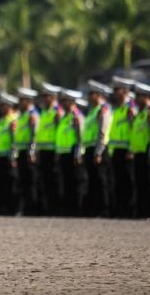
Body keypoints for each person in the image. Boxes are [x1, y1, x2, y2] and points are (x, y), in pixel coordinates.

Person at [129, 83, 150, 219]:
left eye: (139, 96)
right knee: (140, 183)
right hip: (139, 152)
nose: (136, 99)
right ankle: (142, 213)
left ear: (146, 97)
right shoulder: (140, 113)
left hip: (149, 153)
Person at [82, 80, 113, 217]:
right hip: (90, 148)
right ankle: (95, 210)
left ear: (99, 95)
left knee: (101, 180)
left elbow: (103, 132)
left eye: (91, 94)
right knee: (93, 180)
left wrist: (99, 151)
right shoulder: (92, 111)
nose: (88, 96)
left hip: (98, 149)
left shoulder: (103, 110)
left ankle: (105, 209)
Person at [56, 89, 86, 217]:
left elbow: (80, 137)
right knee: (66, 182)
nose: (62, 103)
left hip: (73, 153)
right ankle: (68, 209)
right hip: (64, 153)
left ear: (72, 102)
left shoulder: (76, 116)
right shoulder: (64, 117)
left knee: (76, 181)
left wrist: (78, 154)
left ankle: (77, 208)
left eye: (65, 101)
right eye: (62, 101)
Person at [109, 76, 136, 218]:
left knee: (128, 182)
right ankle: (120, 210)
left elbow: (134, 130)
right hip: (117, 151)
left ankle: (129, 210)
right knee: (118, 182)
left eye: (117, 90)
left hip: (127, 151)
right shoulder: (118, 109)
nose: (114, 92)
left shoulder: (129, 109)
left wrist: (131, 148)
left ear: (125, 91)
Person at [36, 83, 64, 215]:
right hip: (43, 151)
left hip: (54, 151)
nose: (44, 99)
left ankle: (56, 208)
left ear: (53, 97)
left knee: (54, 180)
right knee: (44, 180)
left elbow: (60, 133)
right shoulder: (44, 112)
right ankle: (47, 208)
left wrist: (58, 150)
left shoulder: (57, 112)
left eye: (46, 96)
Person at [0, 92, 19, 216]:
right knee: (0, 183)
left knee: (10, 183)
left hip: (8, 156)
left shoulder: (13, 120)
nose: (1, 108)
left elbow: (15, 140)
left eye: (4, 106)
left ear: (9, 106)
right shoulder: (2, 120)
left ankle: (12, 208)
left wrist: (13, 157)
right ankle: (2, 208)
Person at [14, 87, 40, 216]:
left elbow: (34, 135)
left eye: (21, 100)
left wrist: (31, 152)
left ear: (28, 101)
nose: (19, 102)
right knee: (23, 181)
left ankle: (32, 209)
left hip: (29, 153)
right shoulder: (22, 115)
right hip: (22, 151)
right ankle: (25, 208)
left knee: (31, 181)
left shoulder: (32, 115)